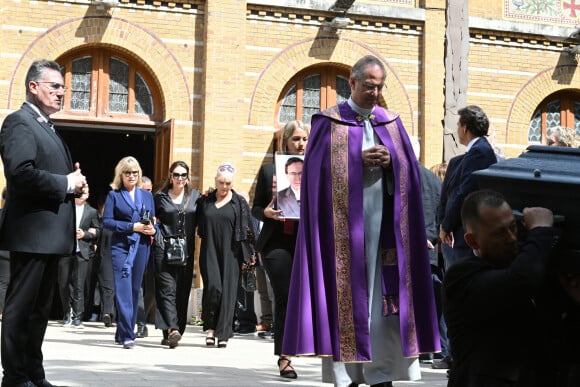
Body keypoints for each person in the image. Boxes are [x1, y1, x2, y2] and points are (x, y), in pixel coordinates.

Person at [282, 55, 440, 387]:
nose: (374, 92)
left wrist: (391, 163)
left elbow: (412, 174)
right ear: (352, 83)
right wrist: (356, 160)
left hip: (385, 231)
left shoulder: (391, 122)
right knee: (349, 296)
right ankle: (349, 375)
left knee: (384, 303)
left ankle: (383, 371)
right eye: (369, 86)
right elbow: (314, 177)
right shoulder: (329, 121)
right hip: (344, 236)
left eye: (380, 87)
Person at [0, 59, 87, 387]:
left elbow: (56, 177)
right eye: (55, 86)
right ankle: (15, 377)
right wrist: (66, 183)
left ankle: (34, 374)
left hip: (51, 237)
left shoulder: (46, 126)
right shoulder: (19, 122)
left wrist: (77, 186)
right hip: (31, 234)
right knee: (21, 310)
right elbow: (20, 174)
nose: (62, 92)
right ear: (33, 86)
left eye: (63, 87)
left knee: (39, 312)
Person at [443, 189, 558, 386]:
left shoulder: (522, 262)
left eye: (513, 227)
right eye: (499, 233)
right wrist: (541, 231)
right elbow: (519, 282)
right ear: (472, 241)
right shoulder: (461, 277)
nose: (512, 238)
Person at [252, 119, 309, 379]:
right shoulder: (268, 171)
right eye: (296, 139)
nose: (301, 143)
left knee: (305, 298)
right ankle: (285, 357)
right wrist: (266, 212)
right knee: (284, 295)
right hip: (277, 244)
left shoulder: (316, 169)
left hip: (307, 242)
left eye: (304, 139)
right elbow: (255, 208)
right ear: (285, 141)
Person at [197, 162, 255, 349]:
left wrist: (250, 255)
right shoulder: (205, 200)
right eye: (221, 182)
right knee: (214, 288)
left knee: (229, 293)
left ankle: (223, 333)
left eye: (228, 183)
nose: (224, 187)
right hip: (210, 250)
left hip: (232, 253)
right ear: (215, 181)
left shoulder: (239, 202)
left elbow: (248, 230)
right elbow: (197, 223)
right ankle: (210, 328)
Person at [103, 156, 156, 349]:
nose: (132, 176)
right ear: (121, 175)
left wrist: (152, 230)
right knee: (123, 290)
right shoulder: (114, 195)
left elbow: (151, 220)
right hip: (121, 247)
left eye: (135, 172)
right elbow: (107, 222)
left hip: (141, 246)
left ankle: (122, 332)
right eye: (128, 172)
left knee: (134, 291)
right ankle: (128, 334)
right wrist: (132, 227)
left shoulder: (147, 195)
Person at [438, 105, 497, 261]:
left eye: (458, 125)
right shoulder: (477, 150)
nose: (457, 129)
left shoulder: (479, 151)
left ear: (465, 128)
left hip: (470, 233)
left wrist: (446, 225)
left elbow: (464, 192)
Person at [153, 162, 200, 348]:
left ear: (188, 177)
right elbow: (150, 218)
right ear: (170, 176)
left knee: (182, 291)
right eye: (176, 175)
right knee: (167, 290)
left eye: (183, 175)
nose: (180, 178)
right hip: (164, 250)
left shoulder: (195, 196)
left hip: (186, 252)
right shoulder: (160, 197)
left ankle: (173, 330)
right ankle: (172, 328)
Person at [57, 186, 99, 328]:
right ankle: (66, 312)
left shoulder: (92, 211)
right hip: (65, 250)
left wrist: (85, 234)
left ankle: (77, 316)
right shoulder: (65, 208)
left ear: (88, 195)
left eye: (84, 192)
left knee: (79, 285)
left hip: (82, 251)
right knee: (63, 283)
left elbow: (97, 231)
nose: (81, 195)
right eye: (79, 192)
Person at [136, 175, 155, 338]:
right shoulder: (133, 204)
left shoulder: (155, 202)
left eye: (150, 190)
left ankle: (144, 314)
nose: (148, 193)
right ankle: (141, 323)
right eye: (145, 190)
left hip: (154, 250)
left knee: (152, 288)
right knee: (138, 287)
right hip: (138, 248)